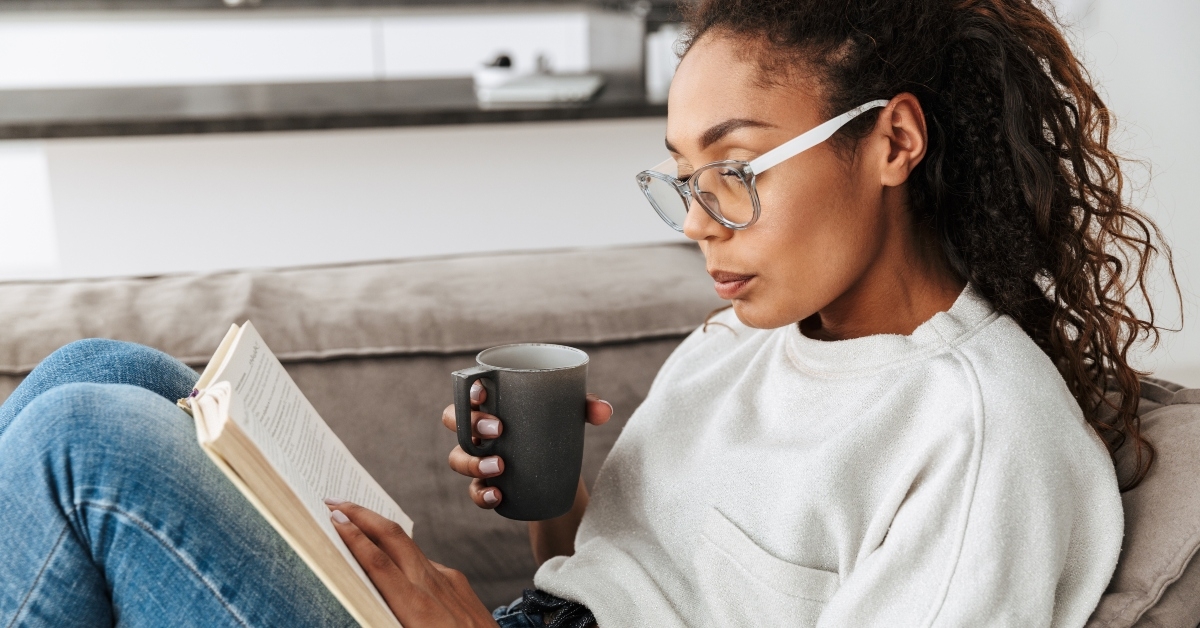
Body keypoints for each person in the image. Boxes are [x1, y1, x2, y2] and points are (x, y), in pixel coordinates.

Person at [0, 0, 1178, 625]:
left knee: (83, 450)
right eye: (680, 174)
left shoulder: (982, 437)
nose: (698, 220)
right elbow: (612, 589)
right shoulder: (745, 339)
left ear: (894, 140)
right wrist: (557, 508)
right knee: (93, 370)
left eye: (737, 167)